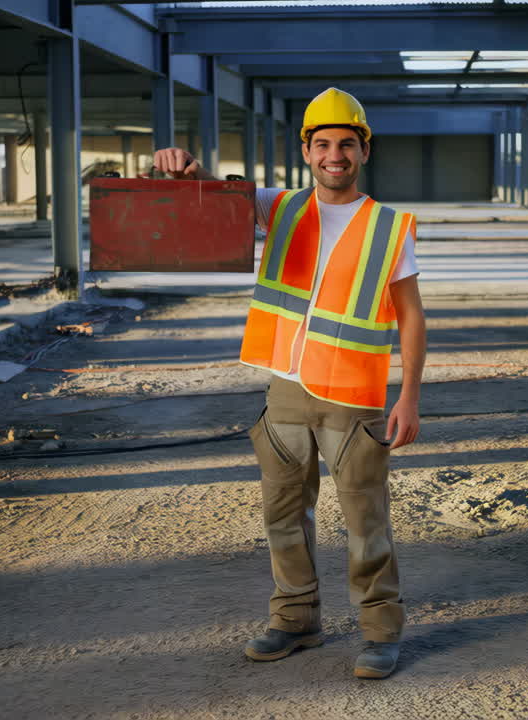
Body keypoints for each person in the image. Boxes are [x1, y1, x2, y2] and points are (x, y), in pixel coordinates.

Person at [152, 87, 426, 680]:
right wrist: (182, 164)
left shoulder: (388, 226)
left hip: (354, 397)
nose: (335, 155)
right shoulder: (279, 205)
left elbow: (412, 315)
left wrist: (409, 395)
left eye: (346, 145)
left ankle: (380, 632)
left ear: (363, 151)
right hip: (286, 391)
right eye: (323, 144)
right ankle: (296, 619)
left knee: (364, 520)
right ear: (306, 150)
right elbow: (211, 193)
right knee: (282, 515)